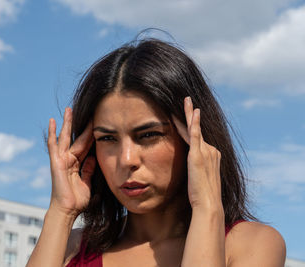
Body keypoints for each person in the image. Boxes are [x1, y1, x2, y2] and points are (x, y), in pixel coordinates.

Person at [27, 37, 286, 267]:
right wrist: (61, 212)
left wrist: (207, 208)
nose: (127, 160)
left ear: (195, 140)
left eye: (149, 135)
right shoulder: (72, 247)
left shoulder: (250, 245)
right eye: (107, 138)